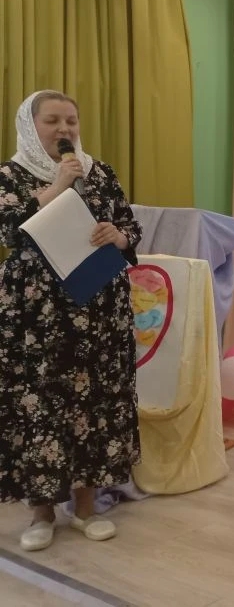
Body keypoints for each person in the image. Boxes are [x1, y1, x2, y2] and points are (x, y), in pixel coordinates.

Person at [0, 90, 143, 552]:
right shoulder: (11, 174)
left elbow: (131, 226)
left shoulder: (99, 172)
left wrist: (118, 236)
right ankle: (41, 513)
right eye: (52, 121)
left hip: (98, 305)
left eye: (71, 121)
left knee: (93, 401)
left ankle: (85, 508)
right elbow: (9, 230)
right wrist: (57, 187)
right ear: (30, 126)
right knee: (39, 404)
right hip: (36, 313)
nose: (64, 130)